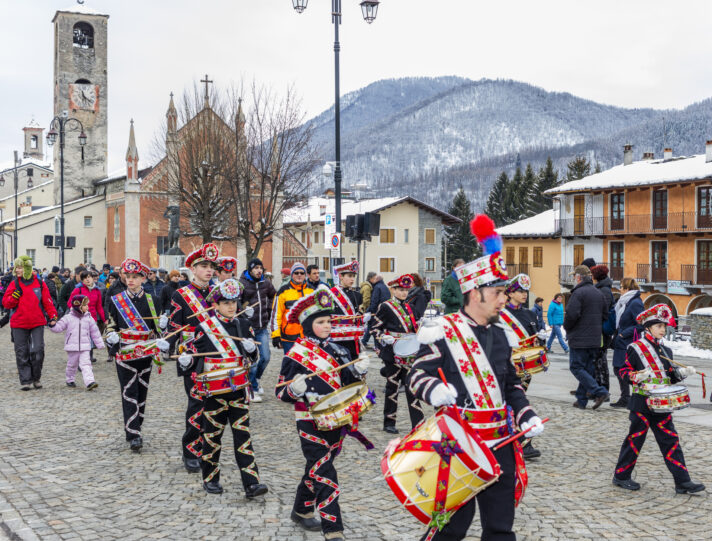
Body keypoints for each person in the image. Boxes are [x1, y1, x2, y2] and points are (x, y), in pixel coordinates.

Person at [406, 214, 544, 541]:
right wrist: (434, 389)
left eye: (504, 293)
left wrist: (525, 414)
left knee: (500, 527)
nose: (504, 299)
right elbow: (417, 375)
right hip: (459, 444)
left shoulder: (501, 334)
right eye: (497, 292)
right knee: (451, 528)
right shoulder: (443, 331)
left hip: (500, 442)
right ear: (474, 294)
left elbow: (510, 384)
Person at [275, 286, 370, 540]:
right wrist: (294, 390)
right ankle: (333, 529)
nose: (327, 326)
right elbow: (280, 392)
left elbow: (350, 384)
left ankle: (301, 509)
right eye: (321, 322)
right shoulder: (295, 355)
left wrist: (359, 371)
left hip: (337, 419)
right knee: (325, 471)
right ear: (308, 325)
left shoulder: (339, 350)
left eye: (329, 321)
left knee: (316, 467)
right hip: (309, 420)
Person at [179, 278, 268, 498]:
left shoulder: (244, 325)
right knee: (212, 438)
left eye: (234, 302)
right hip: (214, 392)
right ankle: (210, 479)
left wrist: (251, 351)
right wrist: (185, 361)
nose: (231, 307)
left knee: (243, 438)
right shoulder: (205, 328)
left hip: (238, 391)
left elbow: (253, 358)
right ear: (216, 305)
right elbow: (193, 356)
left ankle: (252, 483)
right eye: (226, 303)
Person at [612, 304, 705, 494]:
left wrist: (681, 373)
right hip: (642, 403)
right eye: (659, 326)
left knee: (670, 440)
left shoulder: (666, 351)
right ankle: (621, 476)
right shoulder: (635, 348)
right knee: (635, 440)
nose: (663, 330)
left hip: (662, 404)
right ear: (648, 327)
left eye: (664, 326)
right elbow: (623, 370)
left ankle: (682, 481)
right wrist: (636, 376)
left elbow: (669, 376)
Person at [106, 259, 169, 452]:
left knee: (142, 392)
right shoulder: (116, 300)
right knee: (128, 392)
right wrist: (111, 336)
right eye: (128, 276)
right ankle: (134, 434)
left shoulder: (153, 300)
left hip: (146, 353)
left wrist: (163, 329)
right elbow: (111, 325)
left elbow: (157, 329)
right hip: (125, 352)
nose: (131, 280)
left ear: (143, 278)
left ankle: (136, 425)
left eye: (135, 276)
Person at [167, 243, 220, 472]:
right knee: (196, 402)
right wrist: (167, 345)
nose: (209, 270)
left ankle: (207, 449)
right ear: (193, 268)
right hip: (191, 355)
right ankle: (190, 450)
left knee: (213, 405)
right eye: (204, 266)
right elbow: (174, 326)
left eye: (211, 266)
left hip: (217, 354)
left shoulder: (219, 293)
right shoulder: (181, 294)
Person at [500, 273, 547, 459]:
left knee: (517, 400)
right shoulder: (501, 315)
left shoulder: (530, 314)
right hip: (507, 364)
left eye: (526, 291)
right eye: (520, 291)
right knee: (514, 401)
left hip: (525, 366)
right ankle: (522, 442)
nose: (524, 294)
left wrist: (541, 339)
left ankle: (519, 440)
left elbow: (536, 339)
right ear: (510, 293)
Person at [371, 274, 424, 433]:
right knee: (392, 388)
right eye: (400, 290)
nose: (403, 293)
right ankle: (389, 422)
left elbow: (414, 328)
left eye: (406, 290)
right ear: (393, 290)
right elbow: (375, 328)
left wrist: (422, 325)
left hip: (409, 354)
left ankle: (418, 423)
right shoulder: (385, 307)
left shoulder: (410, 307)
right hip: (392, 353)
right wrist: (382, 337)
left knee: (411, 388)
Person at [2, 256, 58, 390]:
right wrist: (14, 297)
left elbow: (47, 301)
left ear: (27, 268)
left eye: (20, 268)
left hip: (37, 322)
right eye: (16, 268)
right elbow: (6, 303)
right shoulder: (14, 284)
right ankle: (26, 380)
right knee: (22, 353)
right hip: (19, 323)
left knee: (38, 351)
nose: (17, 270)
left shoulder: (39, 283)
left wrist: (53, 316)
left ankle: (36, 377)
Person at [564, 264, 610, 409]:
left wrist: (567, 327)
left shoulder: (578, 293)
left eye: (574, 276)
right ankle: (581, 399)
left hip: (579, 338)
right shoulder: (598, 293)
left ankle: (600, 392)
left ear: (578, 277)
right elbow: (605, 315)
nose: (574, 279)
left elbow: (571, 315)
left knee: (576, 367)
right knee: (588, 369)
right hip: (595, 338)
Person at [239, 258, 277, 402]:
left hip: (262, 327)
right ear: (250, 269)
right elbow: (237, 303)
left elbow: (274, 296)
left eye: (261, 268)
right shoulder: (242, 283)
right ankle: (253, 389)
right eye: (256, 268)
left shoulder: (266, 283)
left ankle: (256, 378)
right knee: (253, 360)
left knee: (266, 357)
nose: (259, 270)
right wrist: (244, 311)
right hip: (248, 328)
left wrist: (269, 308)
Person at [50, 294, 103, 390]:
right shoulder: (68, 318)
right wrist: (53, 325)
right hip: (72, 346)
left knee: (86, 364)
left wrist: (99, 343)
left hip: (85, 346)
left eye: (87, 305)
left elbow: (95, 332)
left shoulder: (89, 318)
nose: (87, 307)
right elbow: (59, 327)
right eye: (85, 305)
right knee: (72, 365)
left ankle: (90, 382)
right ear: (78, 306)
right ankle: (70, 379)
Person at [611, 277, 644, 408]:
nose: (620, 289)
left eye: (621, 287)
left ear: (627, 288)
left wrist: (624, 333)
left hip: (628, 342)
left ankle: (630, 397)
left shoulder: (635, 303)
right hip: (621, 341)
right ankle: (626, 397)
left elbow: (641, 324)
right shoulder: (625, 301)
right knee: (618, 369)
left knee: (622, 369)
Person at [270, 262, 313, 354]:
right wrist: (276, 335)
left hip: (308, 336)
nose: (299, 275)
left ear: (305, 275)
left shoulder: (312, 290)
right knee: (290, 362)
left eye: (302, 273)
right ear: (292, 275)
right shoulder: (283, 291)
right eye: (296, 273)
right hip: (289, 338)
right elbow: (276, 314)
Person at [329, 260, 365, 360]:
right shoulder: (330, 294)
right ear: (341, 276)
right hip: (337, 338)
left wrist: (362, 318)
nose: (352, 279)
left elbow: (358, 314)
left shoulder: (357, 295)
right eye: (349, 276)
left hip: (352, 337)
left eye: (353, 276)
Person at [592, 264, 614, 393]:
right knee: (598, 361)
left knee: (601, 362)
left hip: (602, 331)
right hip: (600, 330)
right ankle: (598, 389)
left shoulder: (604, 290)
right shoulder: (602, 289)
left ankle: (604, 390)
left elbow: (602, 311)